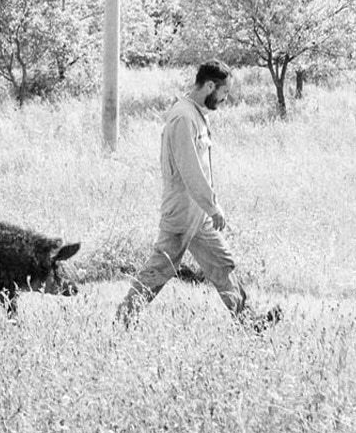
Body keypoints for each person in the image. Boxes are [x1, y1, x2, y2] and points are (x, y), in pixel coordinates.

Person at [117, 60, 281, 332]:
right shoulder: (183, 117)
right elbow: (190, 169)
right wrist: (213, 206)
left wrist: (208, 207)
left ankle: (248, 321)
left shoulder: (195, 114)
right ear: (209, 86)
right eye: (224, 92)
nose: (225, 98)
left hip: (199, 212)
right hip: (182, 211)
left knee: (221, 262)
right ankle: (125, 317)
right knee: (162, 267)